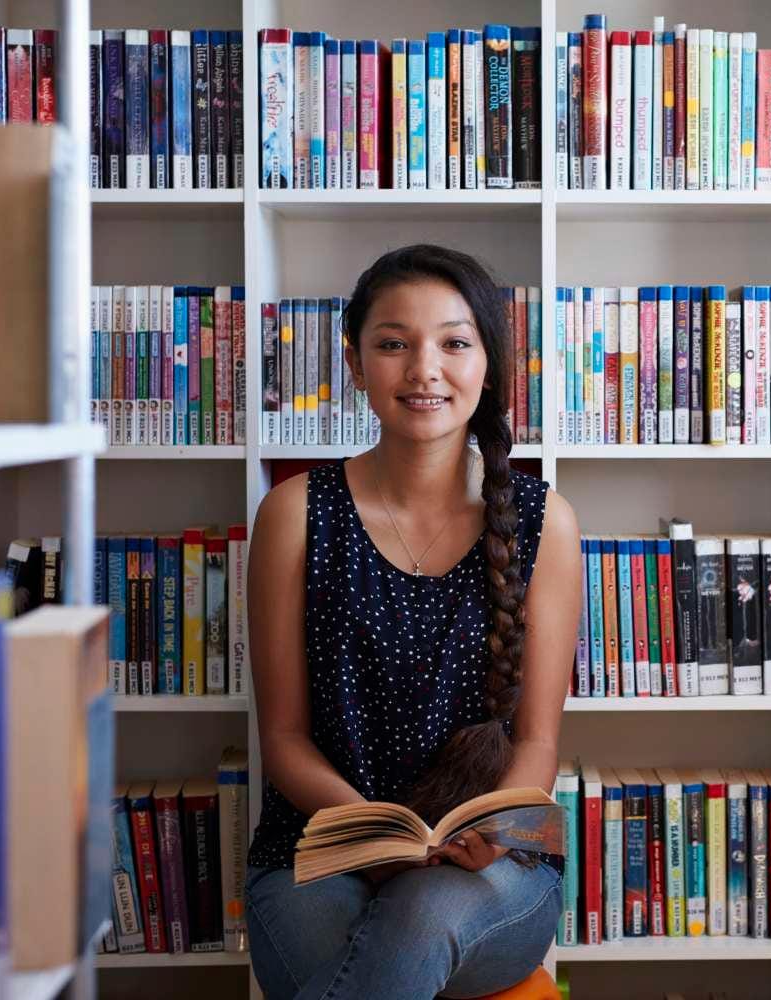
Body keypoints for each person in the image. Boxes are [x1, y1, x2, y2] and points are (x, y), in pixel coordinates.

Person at [243, 244, 582, 1000]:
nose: (424, 369)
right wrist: (373, 833)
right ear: (356, 364)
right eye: (393, 343)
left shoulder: (543, 524)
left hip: (494, 863)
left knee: (420, 919)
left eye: (455, 343)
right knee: (371, 950)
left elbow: (537, 742)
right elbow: (285, 740)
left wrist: (489, 833)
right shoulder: (295, 514)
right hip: (320, 847)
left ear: (488, 363)